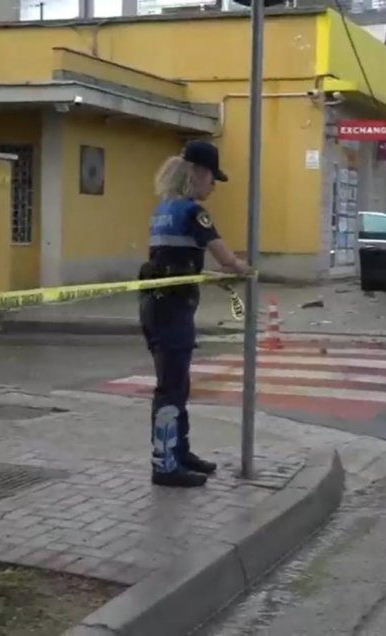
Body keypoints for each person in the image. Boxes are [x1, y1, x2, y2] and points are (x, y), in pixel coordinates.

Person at [139, 140, 248, 488]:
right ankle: (166, 464)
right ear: (197, 173)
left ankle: (180, 452)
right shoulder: (192, 212)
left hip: (155, 305)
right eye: (212, 177)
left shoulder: (163, 208)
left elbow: (173, 258)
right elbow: (225, 257)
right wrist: (242, 269)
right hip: (173, 309)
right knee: (172, 388)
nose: (213, 185)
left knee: (176, 384)